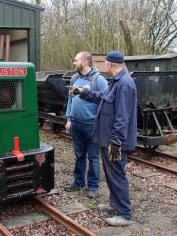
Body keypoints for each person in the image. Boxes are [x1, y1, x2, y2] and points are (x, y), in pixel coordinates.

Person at [72, 51, 137, 226]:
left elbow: (123, 117)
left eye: (105, 64)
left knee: (117, 175)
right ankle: (115, 204)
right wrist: (83, 93)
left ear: (109, 65)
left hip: (115, 141)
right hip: (109, 139)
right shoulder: (117, 82)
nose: (104, 67)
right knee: (111, 174)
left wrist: (116, 141)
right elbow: (102, 98)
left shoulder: (124, 84)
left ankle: (124, 214)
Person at [65, 51, 108, 198]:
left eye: (76, 60)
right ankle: (78, 182)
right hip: (76, 124)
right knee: (79, 155)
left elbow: (106, 104)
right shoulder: (74, 78)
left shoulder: (99, 80)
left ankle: (93, 186)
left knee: (93, 157)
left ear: (84, 62)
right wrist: (69, 118)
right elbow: (70, 100)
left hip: (91, 125)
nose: (74, 63)